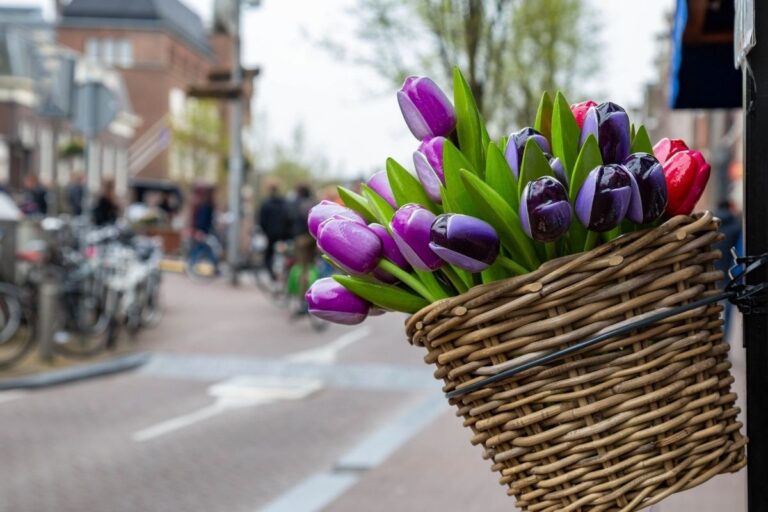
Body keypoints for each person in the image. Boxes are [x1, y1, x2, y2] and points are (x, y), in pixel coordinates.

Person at [258, 184, 290, 278]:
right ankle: (284, 273)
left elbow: (262, 220)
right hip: (283, 234)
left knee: (268, 255)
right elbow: (288, 217)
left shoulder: (266, 203)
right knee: (285, 253)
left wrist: (265, 231)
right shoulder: (284, 203)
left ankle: (272, 274)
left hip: (270, 234)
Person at [188, 185, 219, 273]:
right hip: (204, 232)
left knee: (202, 249)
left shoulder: (206, 204)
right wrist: (200, 231)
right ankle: (191, 264)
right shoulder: (206, 205)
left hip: (204, 231)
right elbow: (202, 219)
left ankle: (191, 264)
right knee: (205, 249)